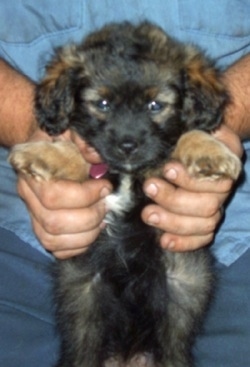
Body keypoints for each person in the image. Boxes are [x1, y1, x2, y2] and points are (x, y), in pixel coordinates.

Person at [0, 1, 249, 366]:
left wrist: (212, 132)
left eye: (154, 106)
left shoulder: (192, 89)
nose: (128, 137)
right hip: (32, 225)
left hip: (233, 231)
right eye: (102, 103)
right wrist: (33, 132)